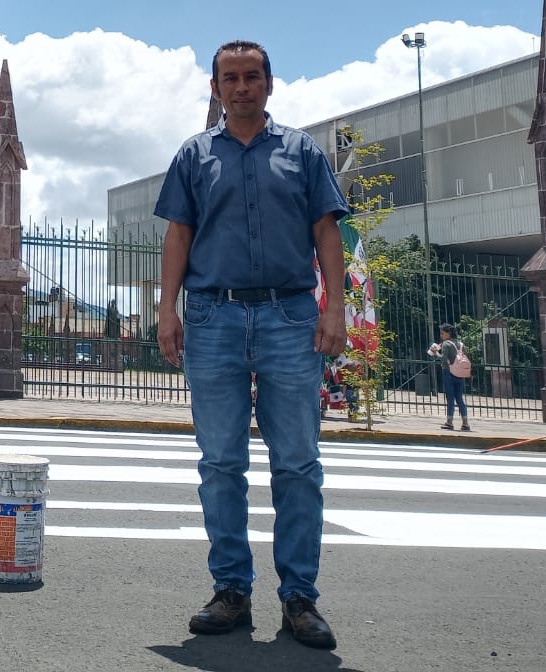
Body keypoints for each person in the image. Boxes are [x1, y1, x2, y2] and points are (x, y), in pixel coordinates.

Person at [155, 40, 349, 651]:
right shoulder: (194, 156)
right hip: (214, 317)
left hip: (291, 318)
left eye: (252, 76)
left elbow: (326, 231)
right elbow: (178, 235)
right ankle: (231, 590)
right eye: (230, 78)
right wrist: (167, 308)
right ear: (215, 88)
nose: (241, 87)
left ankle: (300, 599)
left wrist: (334, 306)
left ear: (270, 83)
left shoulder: (302, 153)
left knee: (297, 464)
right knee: (220, 464)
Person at [429, 324, 471, 431]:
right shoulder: (461, 344)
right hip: (460, 373)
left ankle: (449, 422)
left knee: (450, 398)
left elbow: (443, 359)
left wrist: (436, 353)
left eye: (442, 333)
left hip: (448, 372)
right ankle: (465, 423)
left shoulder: (447, 344)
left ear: (448, 334)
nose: (441, 335)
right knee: (459, 398)